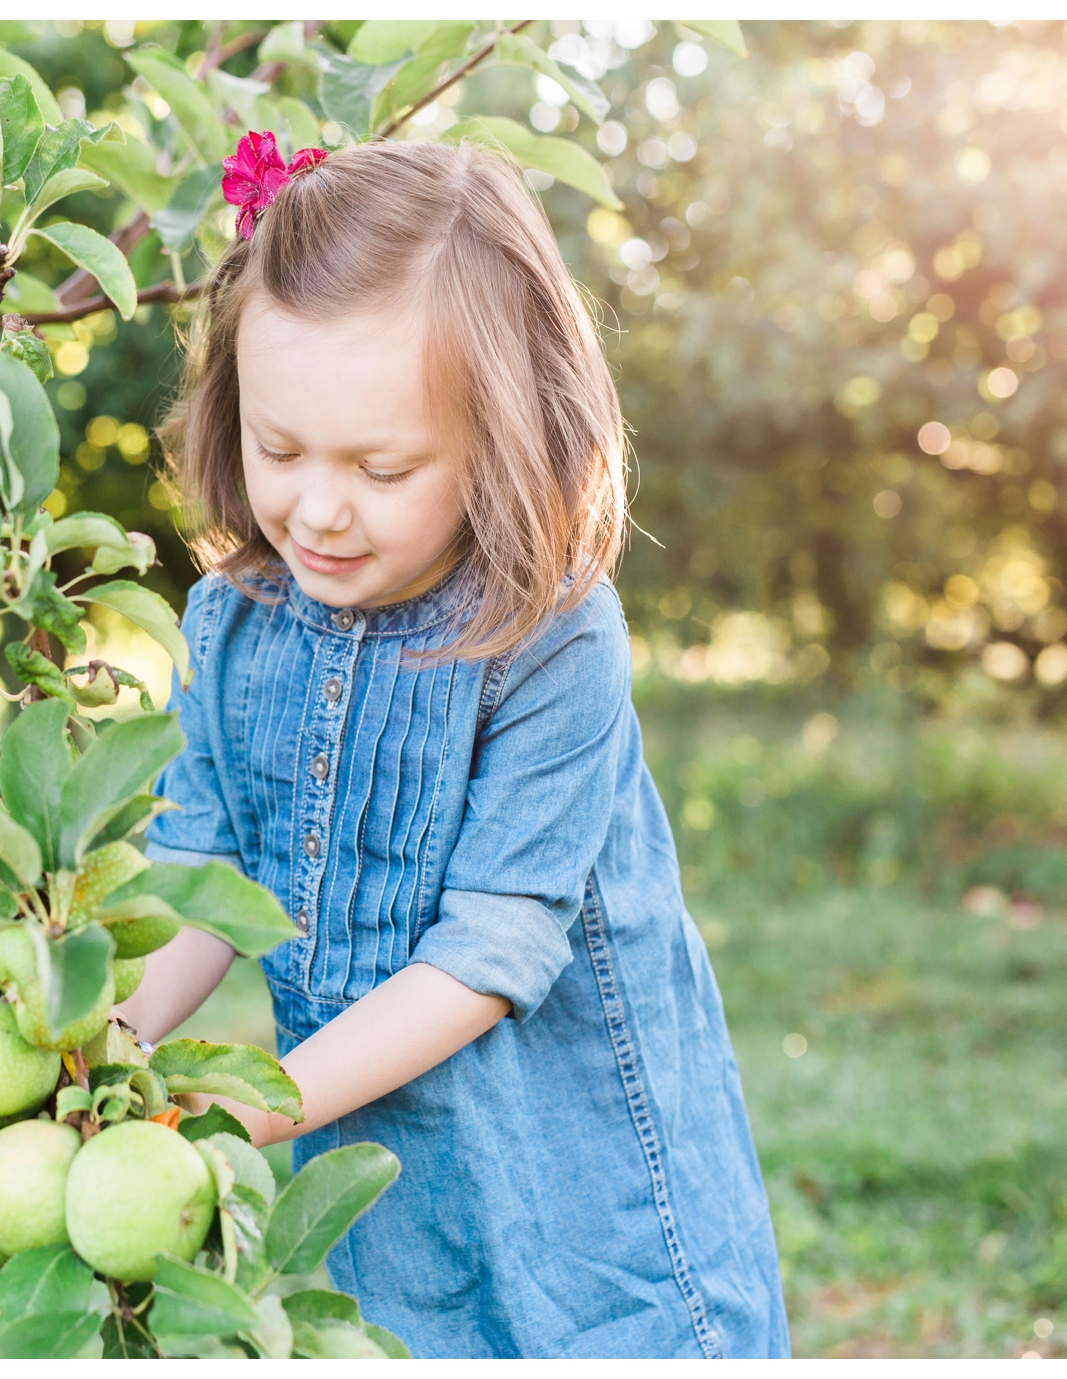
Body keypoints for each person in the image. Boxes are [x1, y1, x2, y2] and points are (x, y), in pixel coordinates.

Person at [112, 134, 790, 1359]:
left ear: (502, 436)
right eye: (278, 449)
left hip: (573, 1169)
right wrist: (110, 1046)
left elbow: (489, 949)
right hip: (371, 1150)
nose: (317, 506)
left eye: (380, 466)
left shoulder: (549, 637)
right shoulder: (231, 621)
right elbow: (202, 869)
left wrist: (254, 1104)